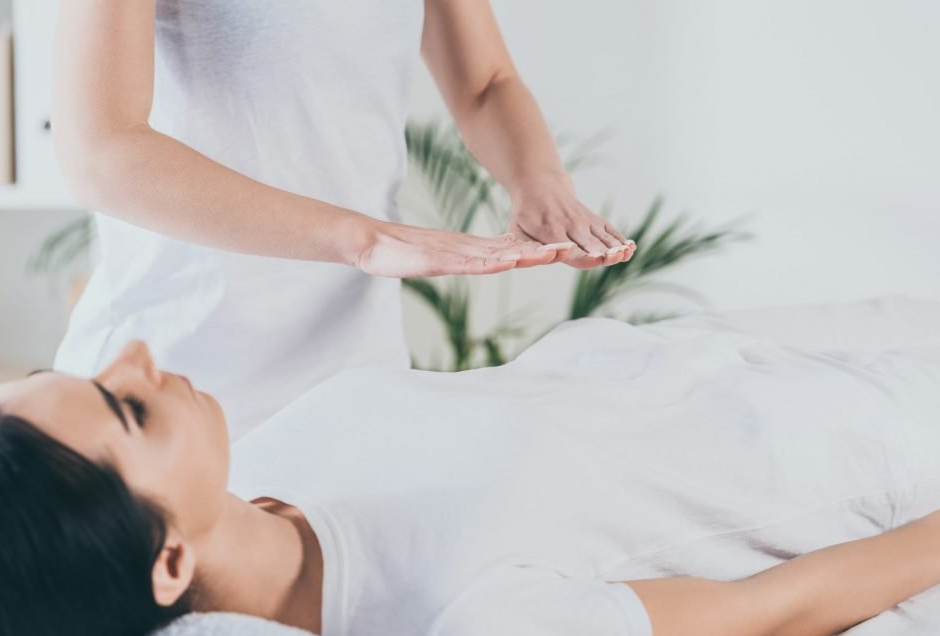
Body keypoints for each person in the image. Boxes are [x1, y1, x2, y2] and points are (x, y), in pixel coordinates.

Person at [0, 302, 940, 636]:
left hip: (750, 345)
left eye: (89, 376)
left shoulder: (270, 456)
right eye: (129, 411)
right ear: (169, 560)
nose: (134, 353)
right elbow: (768, 615)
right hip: (875, 446)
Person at [51, 0, 635, 439]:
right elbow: (102, 152)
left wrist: (540, 181)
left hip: (357, 380)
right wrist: (361, 238)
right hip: (170, 390)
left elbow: (486, 83)